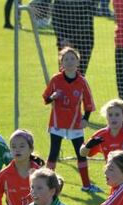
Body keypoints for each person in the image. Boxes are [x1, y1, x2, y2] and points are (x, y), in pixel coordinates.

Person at [42, 46, 99, 193]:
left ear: (78, 62)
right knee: (53, 152)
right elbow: (45, 98)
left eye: (72, 58)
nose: (69, 61)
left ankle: (86, 186)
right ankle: (47, 185)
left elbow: (88, 102)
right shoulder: (56, 79)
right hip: (57, 122)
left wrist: (86, 118)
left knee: (81, 153)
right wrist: (52, 97)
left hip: (75, 123)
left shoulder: (82, 82)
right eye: (66, 59)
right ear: (61, 63)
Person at [51, 0, 96, 74]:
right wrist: (62, 38)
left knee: (80, 75)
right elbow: (55, 17)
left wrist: (72, 40)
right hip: (64, 41)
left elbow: (87, 18)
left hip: (84, 40)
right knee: (63, 75)